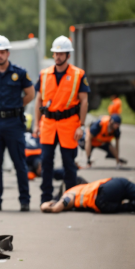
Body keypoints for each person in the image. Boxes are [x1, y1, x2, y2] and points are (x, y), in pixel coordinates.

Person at [0, 35, 35, 212]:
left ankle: (24, 200)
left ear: (8, 53)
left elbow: (30, 93)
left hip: (14, 123)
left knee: (19, 163)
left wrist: (18, 107)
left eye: (2, 52)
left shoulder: (19, 73)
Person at [33, 35, 90, 205]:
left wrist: (82, 125)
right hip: (48, 124)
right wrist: (36, 124)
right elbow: (38, 100)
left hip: (69, 124)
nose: (58, 56)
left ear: (68, 55)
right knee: (46, 162)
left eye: (61, 54)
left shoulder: (78, 74)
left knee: (68, 163)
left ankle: (71, 198)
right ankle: (46, 197)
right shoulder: (44, 74)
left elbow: (84, 101)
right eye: (55, 53)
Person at [40, 178, 135, 214]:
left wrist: (49, 205)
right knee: (125, 185)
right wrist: (52, 206)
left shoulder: (80, 191)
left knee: (132, 205)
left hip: (102, 206)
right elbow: (61, 204)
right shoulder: (69, 193)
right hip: (103, 193)